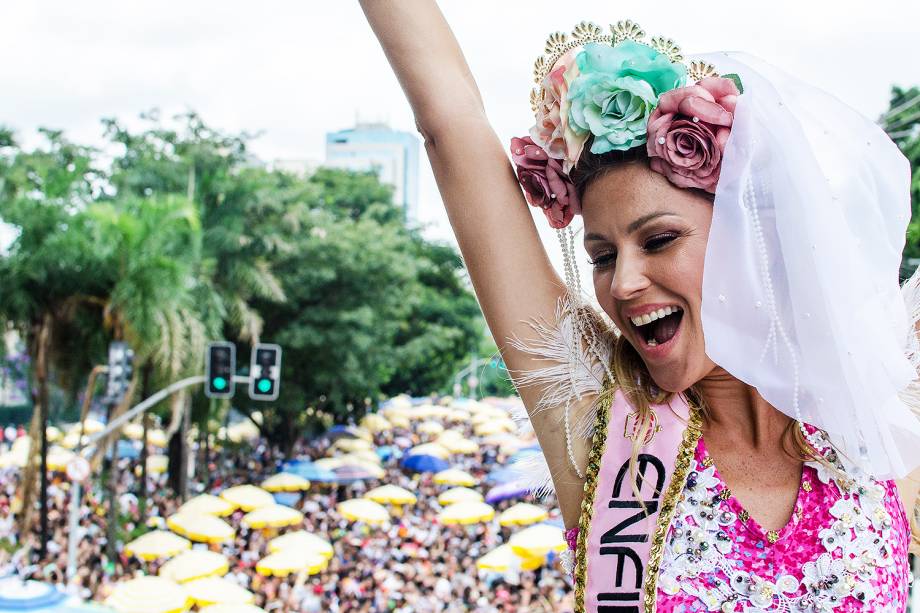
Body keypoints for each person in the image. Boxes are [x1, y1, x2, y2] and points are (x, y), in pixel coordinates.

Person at [360, 2, 920, 611]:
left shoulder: (881, 414)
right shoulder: (598, 422)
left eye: (658, 240)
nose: (622, 283)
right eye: (602, 256)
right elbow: (451, 124)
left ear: (753, 239)